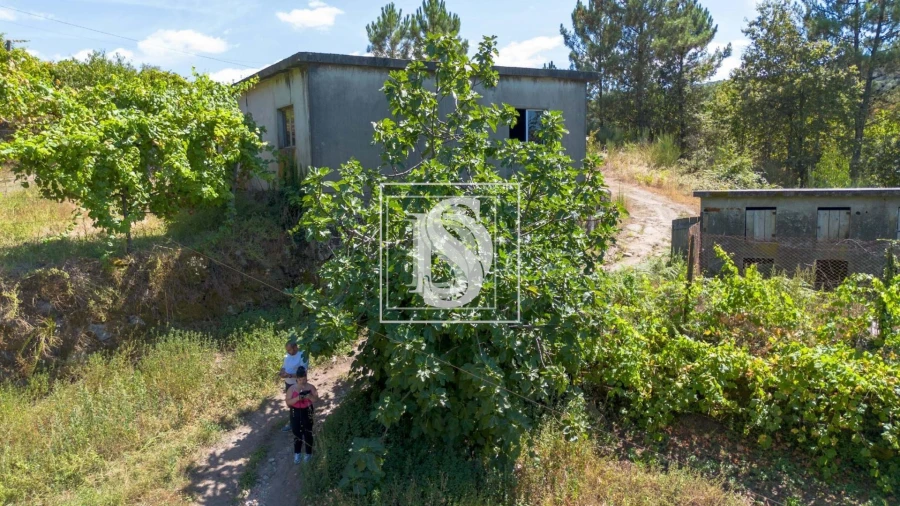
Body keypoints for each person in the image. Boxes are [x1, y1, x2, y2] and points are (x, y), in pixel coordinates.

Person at [285, 368, 318, 463]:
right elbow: (288, 403)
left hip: (307, 410)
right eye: (300, 380)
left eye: (304, 379)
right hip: (295, 411)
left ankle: (308, 453)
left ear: (306, 378)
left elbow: (316, 399)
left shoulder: (311, 387)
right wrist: (297, 398)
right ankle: (297, 453)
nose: (302, 381)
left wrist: (309, 396)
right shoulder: (291, 389)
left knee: (308, 432)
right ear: (297, 379)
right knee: (296, 432)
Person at [278, 335, 309, 432]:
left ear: (295, 347)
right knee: (291, 404)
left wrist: (289, 375)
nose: (288, 352)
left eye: (290, 350)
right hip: (288, 384)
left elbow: (303, 373)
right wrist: (282, 372)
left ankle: (304, 424)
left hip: (298, 384)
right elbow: (284, 366)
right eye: (287, 350)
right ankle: (293, 423)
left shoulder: (303, 355)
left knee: (300, 403)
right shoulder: (287, 356)